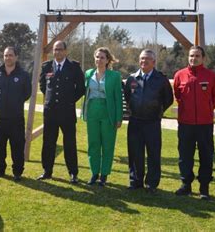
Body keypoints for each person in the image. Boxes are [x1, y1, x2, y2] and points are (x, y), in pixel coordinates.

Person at [173, 45, 215, 200]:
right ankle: (186, 185)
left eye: (197, 56)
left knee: (206, 155)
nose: (193, 58)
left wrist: (205, 110)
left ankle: (204, 187)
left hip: (204, 124)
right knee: (185, 155)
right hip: (185, 124)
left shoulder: (211, 76)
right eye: (191, 56)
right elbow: (177, 95)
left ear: (203, 58)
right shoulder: (180, 75)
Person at [124, 49, 173, 193]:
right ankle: (136, 181)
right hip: (135, 122)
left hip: (152, 122)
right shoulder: (132, 78)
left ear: (154, 62)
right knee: (135, 153)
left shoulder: (161, 79)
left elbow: (168, 99)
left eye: (147, 59)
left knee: (153, 153)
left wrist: (158, 111)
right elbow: (128, 97)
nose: (143, 61)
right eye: (141, 59)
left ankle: (151, 183)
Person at [37, 40, 85, 183]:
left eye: (60, 49)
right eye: (55, 49)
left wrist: (70, 100)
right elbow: (43, 86)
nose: (57, 52)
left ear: (65, 51)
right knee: (48, 142)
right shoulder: (46, 67)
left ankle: (73, 173)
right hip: (50, 112)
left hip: (67, 112)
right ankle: (47, 171)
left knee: (70, 143)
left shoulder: (74, 67)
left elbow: (81, 88)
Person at [82, 47, 123, 186]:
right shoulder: (88, 73)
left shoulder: (114, 76)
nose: (99, 60)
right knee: (93, 143)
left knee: (107, 144)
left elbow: (118, 98)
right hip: (93, 110)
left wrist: (119, 118)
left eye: (102, 58)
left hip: (108, 112)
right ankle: (94, 173)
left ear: (107, 60)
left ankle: (104, 174)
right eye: (97, 57)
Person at [0, 47, 31, 181]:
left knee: (17, 146)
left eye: (11, 55)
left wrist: (16, 102)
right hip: (0, 118)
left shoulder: (23, 74)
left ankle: (17, 172)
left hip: (16, 118)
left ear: (16, 57)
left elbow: (27, 93)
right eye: (6, 55)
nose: (8, 58)